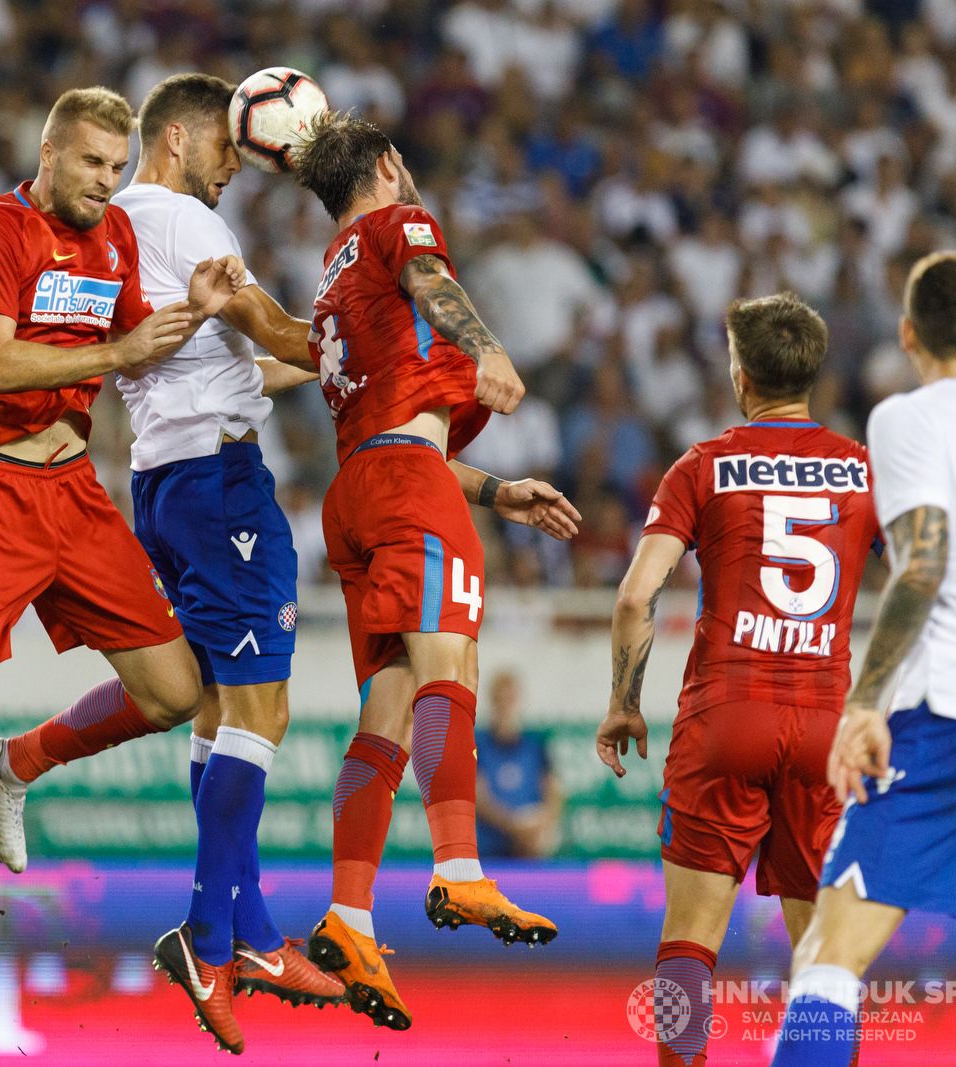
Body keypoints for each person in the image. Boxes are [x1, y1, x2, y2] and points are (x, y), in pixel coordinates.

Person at [0, 86, 245, 1029]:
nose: (106, 186)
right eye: (91, 166)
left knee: (173, 692)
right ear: (49, 151)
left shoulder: (114, 241)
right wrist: (115, 353)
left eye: (117, 170)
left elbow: (136, 352)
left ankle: (17, 765)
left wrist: (192, 318)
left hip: (73, 494)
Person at [287, 112, 581, 1031]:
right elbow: (430, 275)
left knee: (390, 701)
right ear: (386, 166)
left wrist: (498, 491)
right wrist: (488, 346)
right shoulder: (396, 227)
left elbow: (392, 431)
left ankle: (349, 913)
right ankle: (459, 871)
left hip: (362, 491)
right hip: (408, 487)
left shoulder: (329, 287)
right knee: (448, 668)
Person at [770, 254, 956, 1065]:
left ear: (908, 335)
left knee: (831, 950)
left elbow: (922, 563)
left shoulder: (910, 416)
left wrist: (865, 703)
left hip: (952, 713)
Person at [111, 74, 341, 1053]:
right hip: (220, 484)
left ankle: (248, 928)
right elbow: (277, 334)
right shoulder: (182, 219)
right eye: (222, 150)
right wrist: (362, 337)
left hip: (166, 481)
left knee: (218, 706)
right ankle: (210, 935)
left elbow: (250, 361)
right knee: (263, 709)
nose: (231, 168)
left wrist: (323, 358)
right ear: (176, 138)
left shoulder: (125, 224)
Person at [595, 292, 880, 1067]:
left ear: (740, 373)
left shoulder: (705, 464)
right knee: (823, 954)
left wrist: (624, 704)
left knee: (690, 939)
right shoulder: (864, 470)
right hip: (826, 720)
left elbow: (634, 594)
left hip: (726, 712)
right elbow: (925, 581)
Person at [475, 671, 561, 859]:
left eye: (511, 698)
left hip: (531, 851)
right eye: (501, 698)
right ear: (493, 701)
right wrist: (514, 826)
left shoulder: (535, 744)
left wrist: (542, 823)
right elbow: (477, 798)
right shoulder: (478, 743)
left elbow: (553, 791)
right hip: (489, 851)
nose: (506, 704)